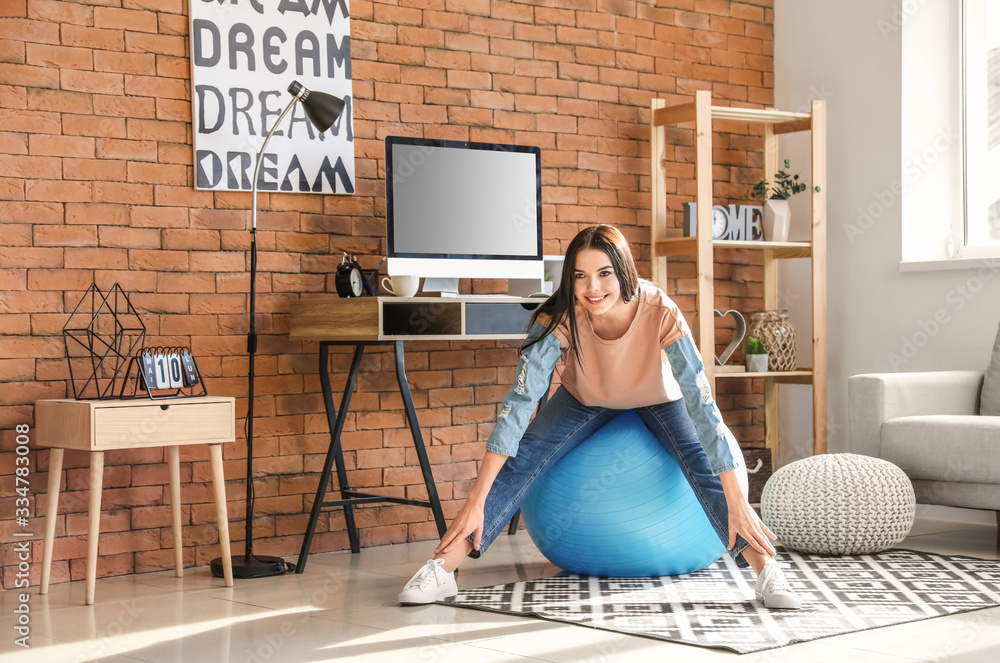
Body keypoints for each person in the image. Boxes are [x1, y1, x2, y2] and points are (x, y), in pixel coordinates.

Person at [398, 224, 801, 610]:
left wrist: (738, 500)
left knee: (700, 463)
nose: (593, 288)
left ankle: (767, 570)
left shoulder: (659, 309)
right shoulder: (558, 318)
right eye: (580, 276)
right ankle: (443, 568)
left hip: (659, 399)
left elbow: (701, 401)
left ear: (624, 270)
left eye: (604, 273)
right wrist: (475, 499)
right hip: (585, 398)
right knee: (526, 456)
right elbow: (519, 403)